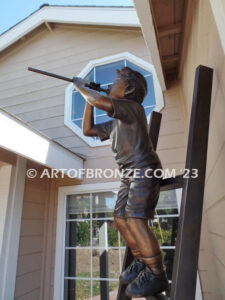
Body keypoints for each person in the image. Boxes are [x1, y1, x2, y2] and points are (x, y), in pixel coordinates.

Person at [73, 67, 169, 297]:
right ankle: (141, 260)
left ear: (129, 90)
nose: (110, 84)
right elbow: (88, 130)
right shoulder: (116, 121)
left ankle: (157, 273)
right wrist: (87, 99)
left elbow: (99, 100)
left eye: (116, 81)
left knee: (136, 219)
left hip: (144, 170)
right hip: (129, 174)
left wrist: (82, 88)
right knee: (120, 219)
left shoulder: (132, 109)